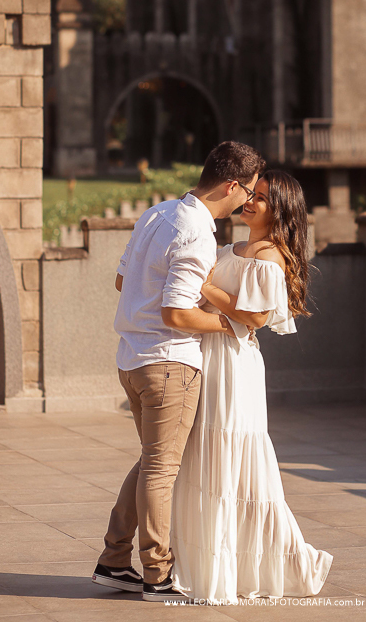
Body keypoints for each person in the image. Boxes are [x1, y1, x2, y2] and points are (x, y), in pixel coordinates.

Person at [92, 141, 265, 603]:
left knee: (152, 461)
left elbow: (122, 282)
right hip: (168, 363)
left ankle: (113, 561)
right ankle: (156, 575)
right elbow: (176, 313)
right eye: (248, 191)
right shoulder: (197, 231)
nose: (249, 201)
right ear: (231, 185)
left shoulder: (158, 213)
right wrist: (231, 325)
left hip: (132, 359)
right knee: (161, 469)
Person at [170, 170, 333, 603]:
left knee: (233, 462)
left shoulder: (270, 255)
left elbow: (256, 317)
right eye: (251, 194)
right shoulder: (230, 247)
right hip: (206, 352)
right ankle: (205, 565)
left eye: (261, 198)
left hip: (234, 365)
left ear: (279, 210)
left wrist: (205, 287)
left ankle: (275, 562)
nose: (251, 202)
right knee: (203, 458)